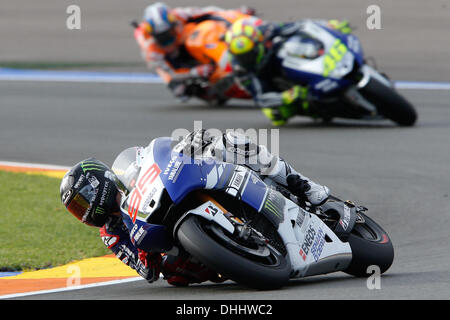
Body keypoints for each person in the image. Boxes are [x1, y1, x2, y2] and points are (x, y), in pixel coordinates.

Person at [59, 130, 329, 286]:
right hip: (181, 247)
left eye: (81, 202)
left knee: (229, 141)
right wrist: (146, 252)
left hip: (182, 189)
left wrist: (189, 144)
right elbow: (148, 272)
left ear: (98, 183)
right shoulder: (111, 234)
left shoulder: (131, 168)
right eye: (76, 209)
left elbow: (160, 156)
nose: (83, 213)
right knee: (174, 274)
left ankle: (303, 185)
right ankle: (237, 255)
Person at [224, 16, 352, 126]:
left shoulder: (266, 31)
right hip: (272, 84)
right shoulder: (241, 70)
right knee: (277, 115)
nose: (246, 59)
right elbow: (260, 98)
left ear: (259, 43)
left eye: (250, 54)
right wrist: (286, 96)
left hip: (285, 60)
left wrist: (329, 25)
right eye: (242, 56)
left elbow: (301, 25)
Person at [133, 2, 255, 99]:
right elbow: (169, 74)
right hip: (172, 65)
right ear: (154, 37)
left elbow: (210, 11)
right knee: (180, 90)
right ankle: (208, 93)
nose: (169, 41)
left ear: (174, 24)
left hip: (191, 43)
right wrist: (194, 72)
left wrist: (238, 14)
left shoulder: (180, 15)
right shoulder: (152, 50)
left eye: (170, 33)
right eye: (162, 39)